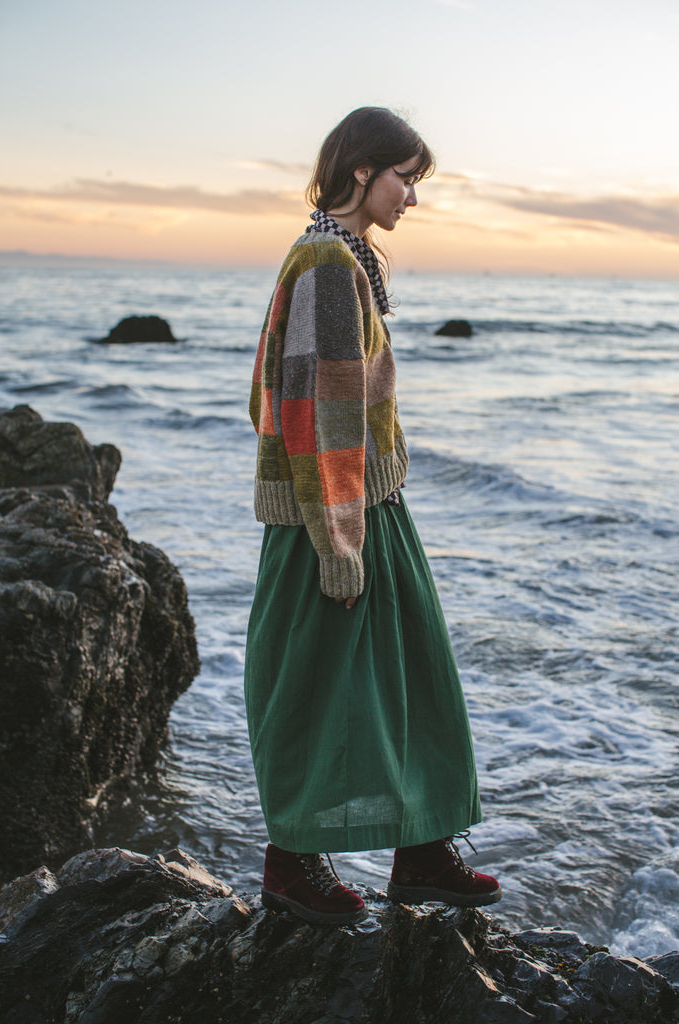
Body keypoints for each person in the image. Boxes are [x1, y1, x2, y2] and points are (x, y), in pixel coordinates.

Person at [245, 106, 501, 925]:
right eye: (405, 179)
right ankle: (291, 864)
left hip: (367, 504)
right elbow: (314, 412)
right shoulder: (325, 262)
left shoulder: (341, 256)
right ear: (362, 172)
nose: (411, 199)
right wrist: (338, 540)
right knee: (318, 689)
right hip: (339, 515)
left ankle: (421, 853)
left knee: (411, 678)